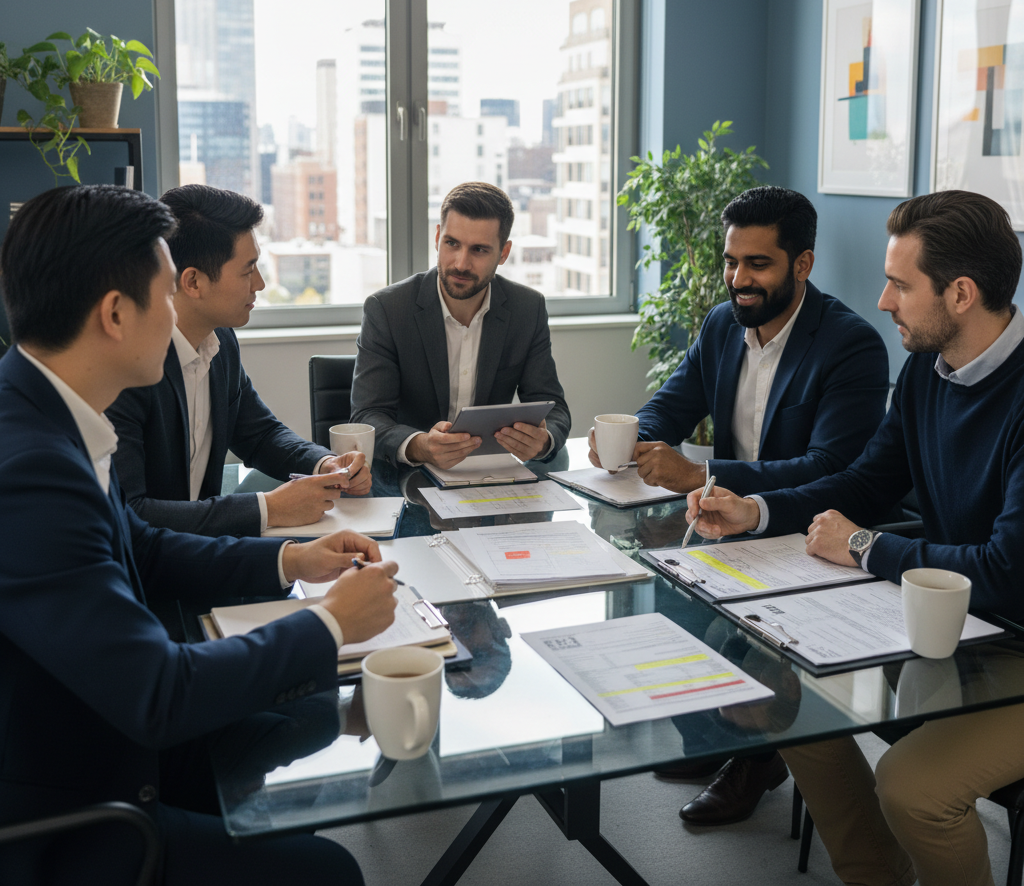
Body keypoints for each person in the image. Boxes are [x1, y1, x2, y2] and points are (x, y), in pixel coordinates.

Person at [0, 184, 399, 885]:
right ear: (117, 313)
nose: (174, 314)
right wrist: (331, 626)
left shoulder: (43, 412)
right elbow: (157, 693)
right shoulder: (31, 469)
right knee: (328, 873)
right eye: (163, 293)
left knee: (301, 711)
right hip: (78, 802)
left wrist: (291, 559)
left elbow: (144, 546)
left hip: (107, 728)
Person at [686, 189, 1024, 886]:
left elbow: (1007, 570)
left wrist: (869, 548)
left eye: (900, 284)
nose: (883, 300)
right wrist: (756, 509)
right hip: (952, 624)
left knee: (912, 787)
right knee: (789, 690)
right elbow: (865, 484)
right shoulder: (930, 373)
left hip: (1014, 635)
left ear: (961, 294)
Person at [590, 186, 889, 826]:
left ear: (801, 264)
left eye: (757, 264)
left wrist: (705, 469)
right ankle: (717, 740)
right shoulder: (723, 323)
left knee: (734, 634)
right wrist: (630, 436)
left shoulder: (851, 346)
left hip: (804, 532)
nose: (737, 279)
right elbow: (672, 403)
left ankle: (757, 759)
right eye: (731, 261)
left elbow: (836, 470)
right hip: (726, 523)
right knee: (652, 598)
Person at [107, 185, 369, 538]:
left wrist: (323, 463)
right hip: (153, 573)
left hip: (205, 556)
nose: (259, 284)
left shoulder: (221, 341)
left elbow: (259, 434)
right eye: (248, 271)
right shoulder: (127, 370)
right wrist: (270, 508)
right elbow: (131, 514)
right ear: (193, 282)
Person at [351, 181, 571, 469]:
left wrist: (543, 440)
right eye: (452, 243)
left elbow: (554, 407)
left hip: (490, 476)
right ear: (438, 237)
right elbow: (367, 416)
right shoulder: (387, 309)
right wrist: (420, 445)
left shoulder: (527, 309)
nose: (461, 263)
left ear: (503, 254)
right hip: (407, 478)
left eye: (479, 250)